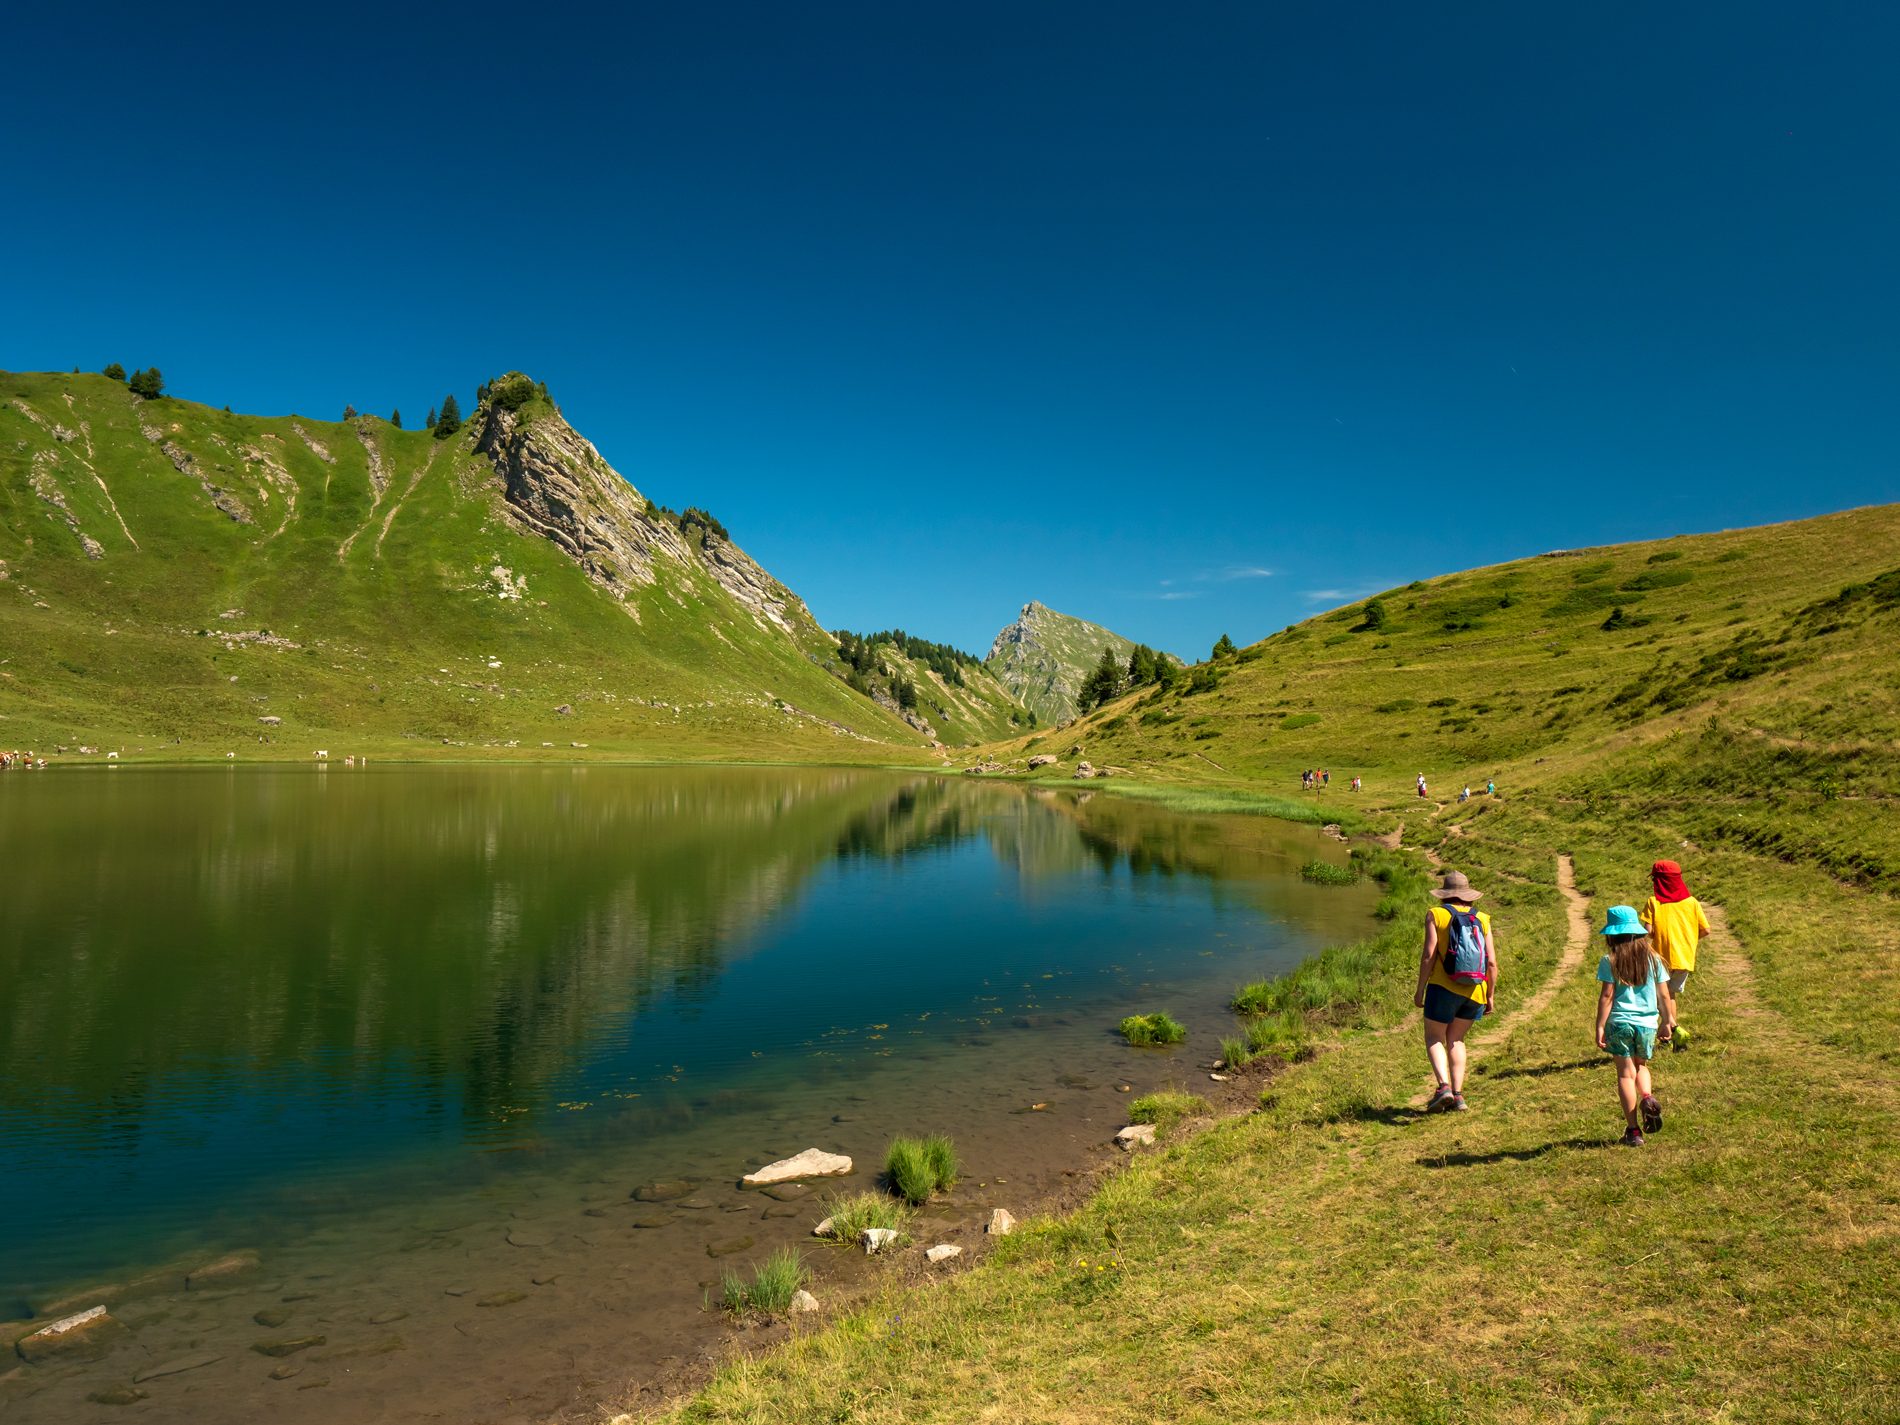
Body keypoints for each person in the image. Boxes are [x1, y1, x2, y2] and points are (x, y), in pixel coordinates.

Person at [1412, 871, 1497, 1112]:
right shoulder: (1482, 917)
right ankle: (1459, 1096)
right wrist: (1489, 995)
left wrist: (1420, 989)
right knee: (1457, 1039)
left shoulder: (1436, 914)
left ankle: (1443, 1087)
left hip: (1442, 987)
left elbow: (1429, 955)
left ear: (1445, 895)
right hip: (1475, 990)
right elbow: (1491, 962)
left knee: (1434, 1037)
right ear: (1468, 895)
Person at [1595, 905, 1676, 1146]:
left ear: (1611, 935)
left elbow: (1607, 997)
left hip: (1620, 1022)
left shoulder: (1610, 960)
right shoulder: (1654, 959)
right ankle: (1648, 1097)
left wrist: (1600, 1026)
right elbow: (1664, 994)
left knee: (1625, 1074)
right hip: (1647, 1023)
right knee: (1641, 1066)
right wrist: (1667, 1021)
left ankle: (1633, 1131)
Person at [1640, 860, 1711, 1047]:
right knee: (1670, 995)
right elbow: (1705, 930)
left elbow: (1648, 931)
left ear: (1658, 881)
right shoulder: (1692, 903)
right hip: (1684, 958)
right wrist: (1687, 941)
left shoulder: (1653, 902)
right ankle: (1672, 1034)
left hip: (1660, 957)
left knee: (1658, 997)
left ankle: (1668, 1029)